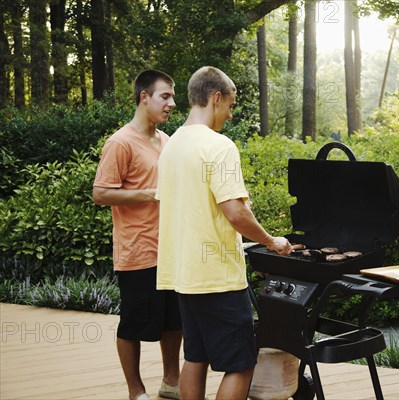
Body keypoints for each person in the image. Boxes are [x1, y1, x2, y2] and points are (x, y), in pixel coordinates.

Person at [155, 66, 293, 400]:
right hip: (218, 277)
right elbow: (235, 211)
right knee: (241, 364)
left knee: (196, 357)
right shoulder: (220, 146)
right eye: (230, 106)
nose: (230, 115)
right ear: (216, 98)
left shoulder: (171, 146)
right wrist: (271, 241)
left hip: (184, 275)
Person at [93, 69, 182, 400]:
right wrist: (149, 194)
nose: (172, 103)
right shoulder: (120, 142)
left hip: (170, 250)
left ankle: (171, 381)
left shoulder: (167, 141)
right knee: (133, 323)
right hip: (137, 251)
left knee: (175, 320)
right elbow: (100, 193)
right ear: (144, 97)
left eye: (173, 97)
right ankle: (136, 390)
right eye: (165, 96)